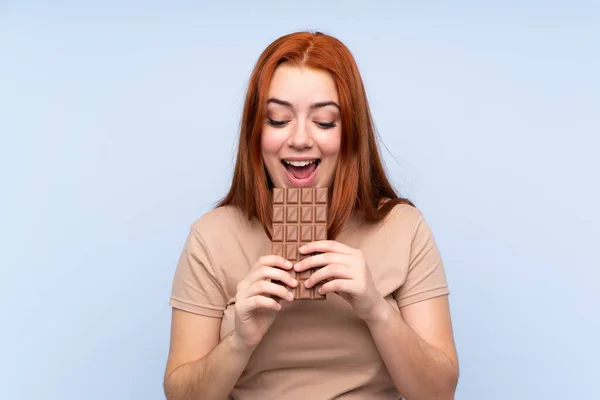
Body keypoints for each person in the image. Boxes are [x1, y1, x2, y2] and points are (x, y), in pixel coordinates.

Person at [163, 31, 459, 400]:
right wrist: (239, 341)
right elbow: (180, 395)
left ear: (351, 135)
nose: (301, 139)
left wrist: (377, 310)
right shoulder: (211, 237)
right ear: (255, 132)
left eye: (324, 122)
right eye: (277, 120)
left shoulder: (403, 229)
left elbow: (439, 394)